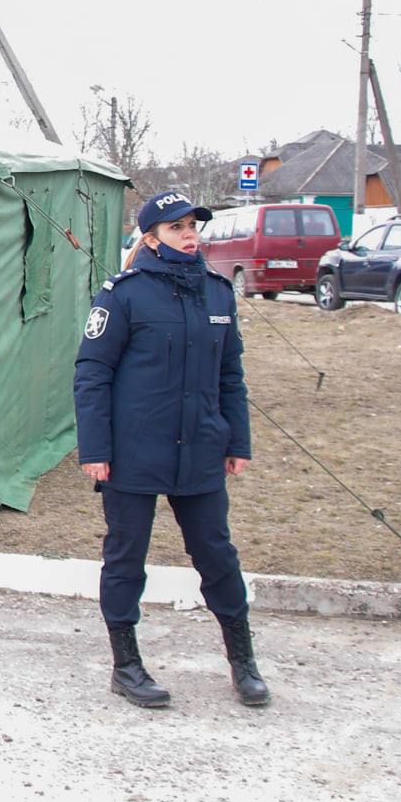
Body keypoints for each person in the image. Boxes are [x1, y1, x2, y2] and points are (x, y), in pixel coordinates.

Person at [74, 189, 269, 707]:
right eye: (178, 228)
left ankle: (243, 662)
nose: (191, 236)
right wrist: (95, 449)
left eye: (194, 227)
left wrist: (238, 439)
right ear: (152, 237)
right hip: (134, 451)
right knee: (125, 560)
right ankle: (127, 665)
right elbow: (91, 375)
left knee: (218, 557)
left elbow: (231, 376)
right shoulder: (123, 295)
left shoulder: (218, 293)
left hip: (201, 448)